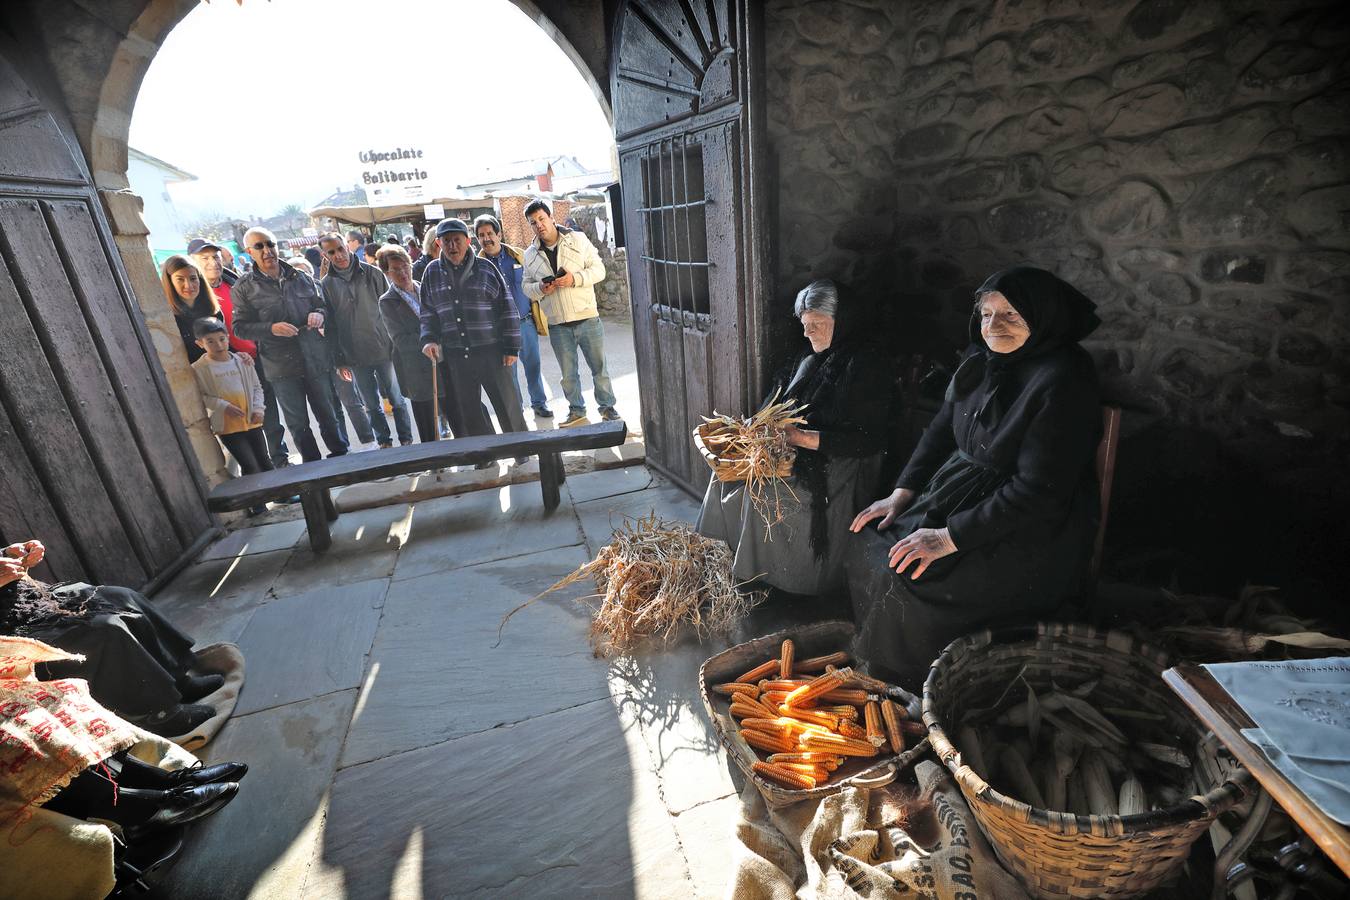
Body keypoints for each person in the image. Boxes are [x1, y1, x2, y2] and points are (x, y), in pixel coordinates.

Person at [847, 265, 1103, 687]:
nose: (993, 326)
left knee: (912, 574)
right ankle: (882, 662)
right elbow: (942, 429)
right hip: (959, 491)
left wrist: (947, 538)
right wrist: (901, 492)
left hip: (1029, 522)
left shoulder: (1064, 379)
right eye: (986, 314)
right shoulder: (979, 359)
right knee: (870, 537)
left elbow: (1038, 491)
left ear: (1043, 320)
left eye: (1011, 316)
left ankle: (921, 683)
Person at [697, 280, 891, 597]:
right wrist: (754, 428)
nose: (807, 332)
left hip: (836, 464)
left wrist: (801, 438)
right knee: (725, 477)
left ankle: (760, 579)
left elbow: (866, 441)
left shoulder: (867, 365)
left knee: (759, 493)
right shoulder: (807, 357)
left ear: (842, 321)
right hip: (794, 449)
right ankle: (715, 561)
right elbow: (777, 402)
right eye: (805, 324)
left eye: (817, 324)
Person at [0, 540, 224, 736]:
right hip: (8, 635)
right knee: (104, 631)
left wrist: (10, 553)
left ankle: (177, 679)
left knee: (122, 597)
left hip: (19, 602)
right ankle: (159, 714)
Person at [231, 226, 348, 462]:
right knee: (298, 423)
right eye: (259, 246)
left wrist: (319, 314)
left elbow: (322, 305)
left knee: (328, 414)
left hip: (314, 357)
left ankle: (342, 459)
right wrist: (271, 328)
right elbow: (239, 327)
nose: (266, 251)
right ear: (249, 252)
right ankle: (314, 471)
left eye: (270, 244)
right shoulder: (244, 287)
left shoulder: (300, 276)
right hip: (280, 366)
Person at [418, 218, 526, 440]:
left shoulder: (486, 268)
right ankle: (486, 455)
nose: (452, 246)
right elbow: (427, 312)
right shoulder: (431, 272)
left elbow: (507, 309)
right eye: (446, 241)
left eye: (457, 240)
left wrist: (511, 347)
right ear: (438, 243)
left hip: (492, 351)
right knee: (470, 409)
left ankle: (521, 450)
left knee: (507, 404)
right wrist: (428, 339)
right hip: (457, 355)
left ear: (468, 241)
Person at [190, 237, 290, 468]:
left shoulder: (233, 281)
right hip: (230, 367)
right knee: (241, 425)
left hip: (258, 357)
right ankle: (257, 475)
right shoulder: (198, 295)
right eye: (204, 258)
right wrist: (234, 354)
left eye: (215, 256)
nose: (212, 262)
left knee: (267, 414)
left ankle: (280, 462)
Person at [521, 199, 618, 427]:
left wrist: (574, 279)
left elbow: (599, 270)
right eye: (533, 223)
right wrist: (540, 288)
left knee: (599, 369)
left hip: (587, 318)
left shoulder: (578, 239)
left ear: (551, 217)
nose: (539, 225)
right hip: (557, 324)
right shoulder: (530, 255)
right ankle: (576, 412)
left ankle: (608, 409)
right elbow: (526, 287)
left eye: (542, 219)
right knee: (568, 375)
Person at [320, 231, 414, 448]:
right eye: (331, 252)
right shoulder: (327, 284)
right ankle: (384, 444)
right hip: (354, 355)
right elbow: (331, 324)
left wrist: (398, 344)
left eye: (340, 248)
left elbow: (392, 306)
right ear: (325, 256)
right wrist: (339, 360)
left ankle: (407, 441)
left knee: (396, 398)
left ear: (347, 246)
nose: (338, 255)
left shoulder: (372, 273)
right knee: (371, 405)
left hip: (385, 348)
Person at [476, 214, 552, 419]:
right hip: (500, 331)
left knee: (533, 367)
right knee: (509, 374)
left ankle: (539, 403)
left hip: (525, 322)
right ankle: (517, 409)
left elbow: (535, 283)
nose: (486, 239)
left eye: (490, 233)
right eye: (481, 235)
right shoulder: (477, 267)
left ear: (499, 234)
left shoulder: (518, 256)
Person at [190, 317, 273, 492]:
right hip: (228, 427)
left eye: (222, 339)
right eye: (210, 341)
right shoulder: (199, 369)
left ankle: (281, 495)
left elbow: (257, 387)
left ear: (228, 337)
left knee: (264, 460)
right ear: (199, 344)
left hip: (251, 420)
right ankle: (257, 502)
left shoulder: (243, 361)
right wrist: (223, 405)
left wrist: (258, 408)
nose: (218, 345)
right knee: (249, 465)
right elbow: (201, 396)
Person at [161, 254, 222, 364]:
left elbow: (223, 345)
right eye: (180, 279)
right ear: (170, 282)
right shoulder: (167, 318)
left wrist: (238, 356)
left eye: (193, 278)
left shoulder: (213, 310)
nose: (188, 285)